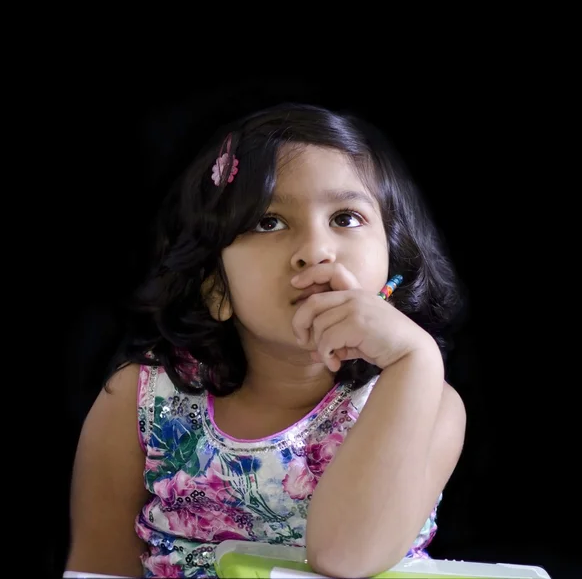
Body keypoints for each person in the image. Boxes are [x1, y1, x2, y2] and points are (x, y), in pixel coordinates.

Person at [65, 102, 467, 578]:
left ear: (391, 274)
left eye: (346, 218)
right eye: (268, 222)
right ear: (217, 288)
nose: (316, 251)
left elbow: (342, 557)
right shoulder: (140, 401)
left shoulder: (428, 401)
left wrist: (414, 358)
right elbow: (97, 568)